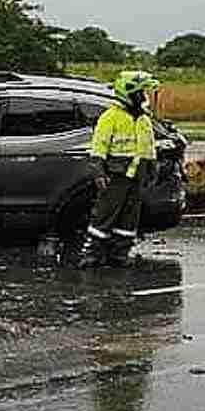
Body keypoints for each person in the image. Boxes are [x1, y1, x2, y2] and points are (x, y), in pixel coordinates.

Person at [76, 70, 160, 269]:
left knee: (129, 217)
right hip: (116, 174)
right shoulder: (110, 117)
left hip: (137, 175)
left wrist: (151, 168)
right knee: (104, 214)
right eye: (140, 93)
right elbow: (99, 147)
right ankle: (92, 255)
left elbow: (148, 146)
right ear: (129, 94)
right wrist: (98, 172)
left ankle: (119, 254)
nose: (144, 97)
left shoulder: (143, 119)